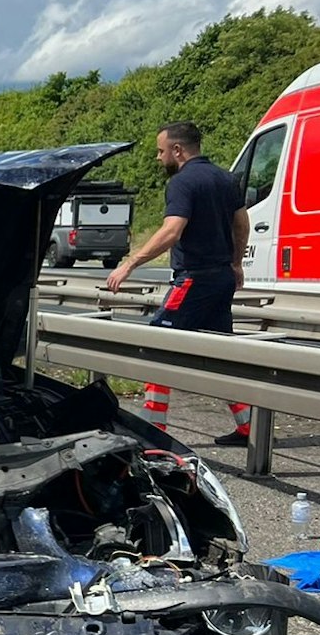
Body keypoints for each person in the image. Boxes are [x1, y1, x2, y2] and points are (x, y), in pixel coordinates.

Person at [107, 121, 253, 447]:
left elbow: (172, 231)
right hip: (221, 278)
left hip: (194, 279)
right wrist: (236, 262)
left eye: (161, 151)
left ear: (177, 150)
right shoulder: (226, 178)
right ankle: (248, 427)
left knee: (158, 345)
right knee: (220, 354)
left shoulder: (182, 182)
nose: (159, 158)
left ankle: (152, 430)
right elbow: (242, 223)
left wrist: (130, 263)